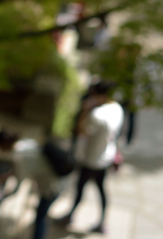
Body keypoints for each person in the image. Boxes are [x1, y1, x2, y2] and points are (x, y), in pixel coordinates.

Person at [57, 80, 124, 235]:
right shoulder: (117, 108)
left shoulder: (97, 115)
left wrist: (85, 111)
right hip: (106, 156)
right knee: (101, 189)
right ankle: (102, 222)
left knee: (80, 189)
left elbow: (82, 131)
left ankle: (69, 216)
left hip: (91, 159)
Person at [0, 130, 65, 239]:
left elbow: (19, 184)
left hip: (52, 187)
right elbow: (31, 164)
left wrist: (3, 197)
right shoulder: (25, 143)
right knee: (41, 214)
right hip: (58, 180)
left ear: (3, 144)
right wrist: (9, 175)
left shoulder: (17, 156)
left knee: (40, 218)